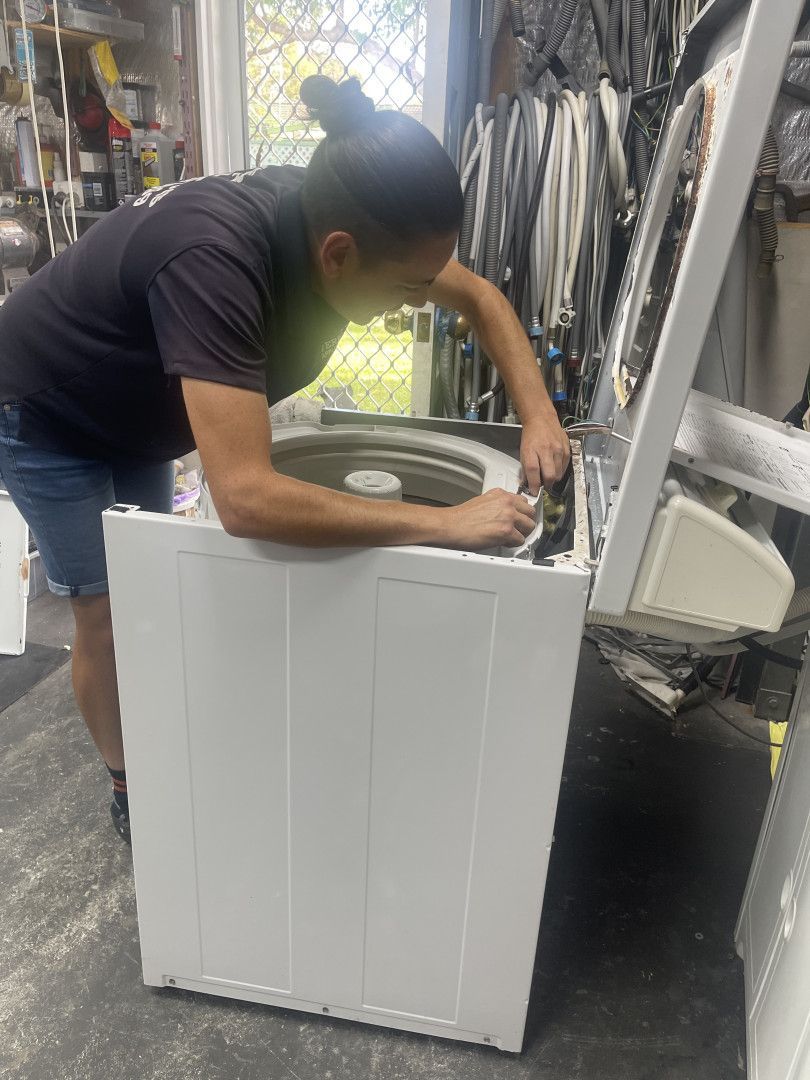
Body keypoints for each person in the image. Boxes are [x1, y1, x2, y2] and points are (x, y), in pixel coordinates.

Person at [0, 76, 569, 843]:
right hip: (46, 408)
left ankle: (173, 738)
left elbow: (482, 301)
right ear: (338, 255)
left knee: (152, 593)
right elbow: (246, 499)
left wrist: (540, 418)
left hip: (136, 409)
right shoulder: (219, 261)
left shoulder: (352, 211)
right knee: (104, 610)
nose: (414, 302)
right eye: (406, 287)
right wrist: (444, 522)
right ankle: (132, 786)